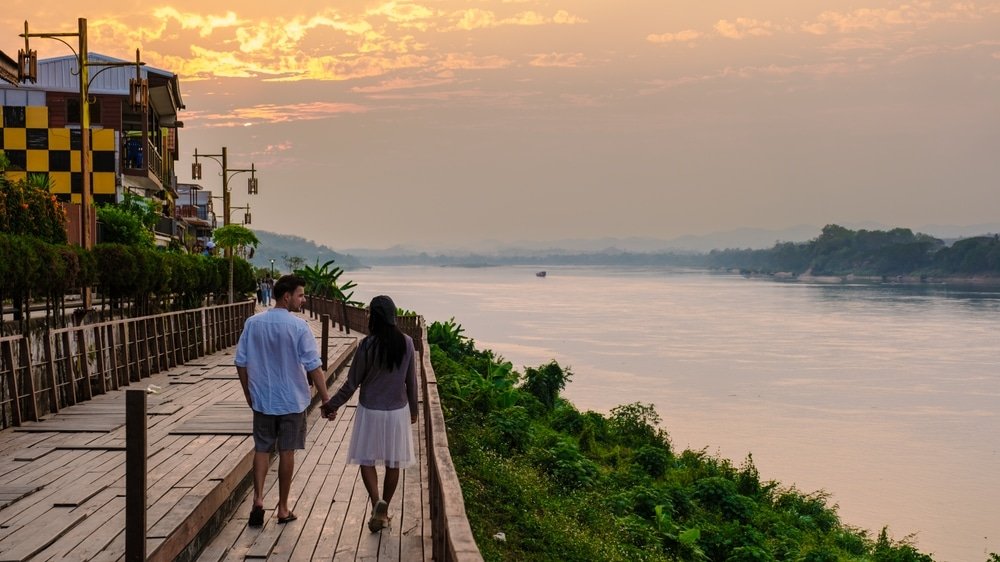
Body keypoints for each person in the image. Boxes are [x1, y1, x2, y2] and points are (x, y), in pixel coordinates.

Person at [235, 275, 333, 527]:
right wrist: (325, 398)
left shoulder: (253, 323)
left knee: (262, 448)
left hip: (263, 398)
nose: (304, 299)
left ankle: (258, 499)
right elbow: (314, 366)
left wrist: (247, 391)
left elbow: (241, 361)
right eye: (300, 295)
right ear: (287, 296)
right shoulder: (299, 327)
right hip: (292, 400)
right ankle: (283, 507)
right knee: (287, 450)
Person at [321, 295, 418, 533]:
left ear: (373, 317)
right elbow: (411, 382)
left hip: (371, 410)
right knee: (394, 461)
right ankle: (384, 508)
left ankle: (377, 504)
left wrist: (331, 405)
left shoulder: (367, 345)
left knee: (366, 459)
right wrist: (414, 411)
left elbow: (351, 383)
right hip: (397, 411)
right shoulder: (406, 343)